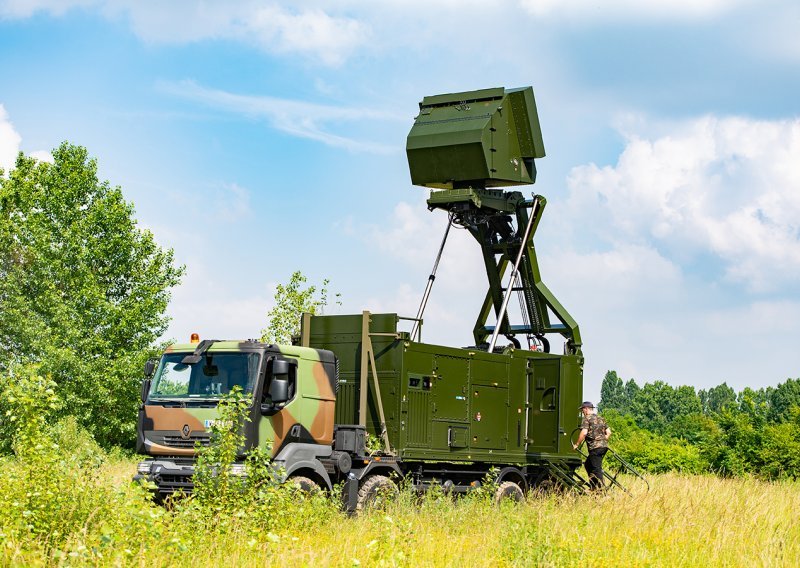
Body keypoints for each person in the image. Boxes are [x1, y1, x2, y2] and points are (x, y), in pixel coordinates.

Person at [572, 401, 612, 490]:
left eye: (582, 410)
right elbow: (609, 432)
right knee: (588, 464)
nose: (582, 412)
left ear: (586, 409)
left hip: (595, 448)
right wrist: (602, 439)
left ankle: (601, 490)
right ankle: (594, 486)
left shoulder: (587, 419)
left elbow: (584, 432)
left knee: (596, 468)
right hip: (604, 447)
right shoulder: (601, 418)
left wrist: (577, 444)